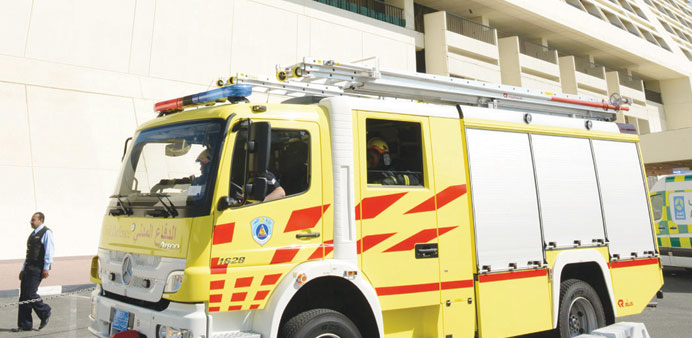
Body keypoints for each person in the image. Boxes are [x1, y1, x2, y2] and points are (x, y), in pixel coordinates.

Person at [13, 212, 53, 332]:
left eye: (33, 220)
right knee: (24, 296)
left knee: (31, 294)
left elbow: (49, 251)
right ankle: (25, 324)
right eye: (31, 220)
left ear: (41, 220)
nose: (31, 222)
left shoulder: (46, 232)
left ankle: (45, 311)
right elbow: (29, 253)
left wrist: (46, 267)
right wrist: (23, 269)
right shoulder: (33, 234)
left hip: (38, 268)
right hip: (28, 268)